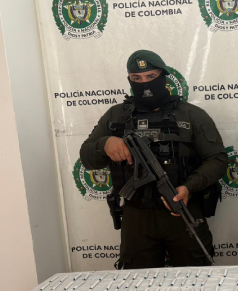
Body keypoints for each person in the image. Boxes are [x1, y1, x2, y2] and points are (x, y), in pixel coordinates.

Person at [80, 50, 227, 269]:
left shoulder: (191, 115)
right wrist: (105, 143)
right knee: (137, 284)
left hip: (182, 210)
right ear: (129, 79)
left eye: (151, 76)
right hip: (136, 217)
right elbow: (87, 158)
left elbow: (217, 160)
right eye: (136, 78)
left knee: (195, 280)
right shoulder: (116, 116)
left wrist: (189, 187)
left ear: (164, 77)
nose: (144, 83)